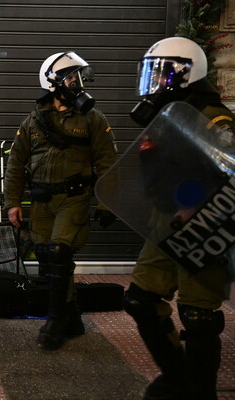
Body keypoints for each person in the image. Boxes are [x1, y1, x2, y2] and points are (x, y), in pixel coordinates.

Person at [124, 36, 235, 400]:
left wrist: (195, 202)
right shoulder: (167, 115)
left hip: (206, 225)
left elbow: (228, 173)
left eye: (160, 74)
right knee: (140, 299)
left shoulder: (212, 118)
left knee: (198, 316)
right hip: (166, 222)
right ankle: (179, 377)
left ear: (186, 75)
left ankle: (200, 393)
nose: (154, 83)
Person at [3, 51, 118, 350]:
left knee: (58, 252)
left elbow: (107, 163)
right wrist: (12, 202)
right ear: (54, 83)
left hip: (74, 198)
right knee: (47, 258)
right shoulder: (33, 120)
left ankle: (54, 323)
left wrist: (107, 203)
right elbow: (16, 163)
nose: (78, 83)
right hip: (41, 201)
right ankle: (72, 314)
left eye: (78, 77)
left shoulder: (93, 118)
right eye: (71, 77)